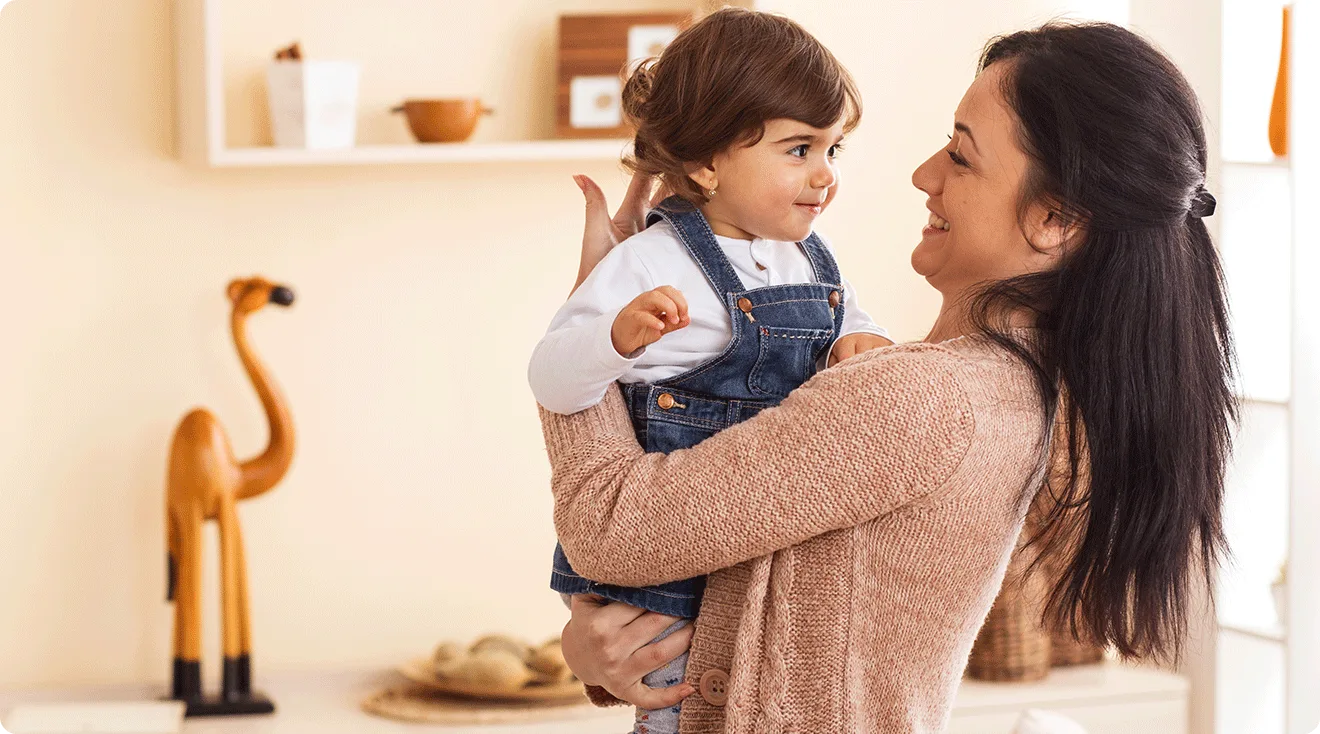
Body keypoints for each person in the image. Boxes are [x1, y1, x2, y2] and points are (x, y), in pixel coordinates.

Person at [540, 21, 1235, 733]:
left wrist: (590, 329)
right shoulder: (1012, 386)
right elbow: (748, 586)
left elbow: (610, 530)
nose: (924, 175)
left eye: (960, 157)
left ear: (1055, 218)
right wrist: (605, 646)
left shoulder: (922, 400)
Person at [527, 9, 891, 732]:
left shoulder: (810, 260)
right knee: (683, 716)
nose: (825, 175)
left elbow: (853, 324)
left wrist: (862, 342)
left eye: (834, 149)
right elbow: (551, 378)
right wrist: (613, 341)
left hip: (762, 557)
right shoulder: (647, 260)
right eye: (799, 149)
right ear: (705, 164)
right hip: (664, 582)